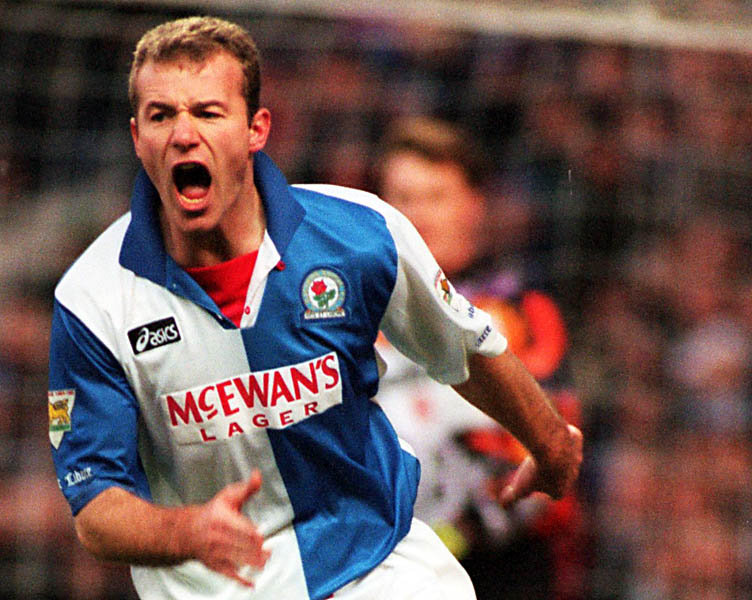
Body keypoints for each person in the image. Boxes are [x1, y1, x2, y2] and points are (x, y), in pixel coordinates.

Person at [47, 16, 582, 600]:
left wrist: (551, 443)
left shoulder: (359, 235)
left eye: (207, 112)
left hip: (379, 570)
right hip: (218, 588)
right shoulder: (92, 300)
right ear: (136, 136)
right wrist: (188, 531)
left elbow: (465, 347)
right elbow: (94, 504)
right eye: (161, 115)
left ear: (256, 129)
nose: (183, 134)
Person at [374, 116, 584, 599]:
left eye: (435, 197)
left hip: (500, 570)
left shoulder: (519, 313)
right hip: (382, 571)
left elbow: (553, 450)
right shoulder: (355, 318)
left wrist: (447, 541)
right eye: (403, 199)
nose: (418, 215)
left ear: (473, 206)